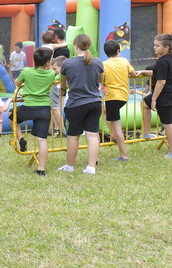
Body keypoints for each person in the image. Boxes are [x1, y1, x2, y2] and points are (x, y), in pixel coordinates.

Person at [58, 34, 104, 174]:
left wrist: (64, 90)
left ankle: (69, 166)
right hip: (95, 101)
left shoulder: (67, 63)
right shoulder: (97, 62)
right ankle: (91, 167)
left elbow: (63, 83)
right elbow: (101, 80)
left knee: (73, 136)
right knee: (92, 135)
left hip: (76, 103)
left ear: (75, 46)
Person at [14, 47, 56, 175]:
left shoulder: (27, 71)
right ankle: (41, 169)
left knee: (12, 115)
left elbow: (17, 82)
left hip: (29, 107)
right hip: (44, 108)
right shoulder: (51, 74)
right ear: (48, 62)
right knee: (42, 140)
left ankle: (20, 137)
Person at [139, 33, 172, 159]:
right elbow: (158, 73)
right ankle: (146, 132)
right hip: (169, 92)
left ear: (166, 47)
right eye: (154, 45)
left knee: (168, 123)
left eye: (157, 46)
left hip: (164, 94)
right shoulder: (169, 59)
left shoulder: (163, 61)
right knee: (144, 103)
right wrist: (144, 72)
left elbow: (161, 81)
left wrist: (154, 99)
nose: (154, 48)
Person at [101, 40, 138, 161]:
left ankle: (123, 154)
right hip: (123, 96)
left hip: (112, 97)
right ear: (118, 51)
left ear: (105, 52)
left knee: (117, 125)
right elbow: (133, 74)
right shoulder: (124, 61)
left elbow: (102, 80)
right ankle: (113, 135)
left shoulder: (104, 64)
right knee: (105, 112)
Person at [49, 55, 66, 137]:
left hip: (55, 90)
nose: (54, 71)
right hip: (56, 91)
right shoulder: (58, 75)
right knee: (54, 109)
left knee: (55, 109)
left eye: (55, 69)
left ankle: (62, 130)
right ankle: (56, 129)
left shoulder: (60, 75)